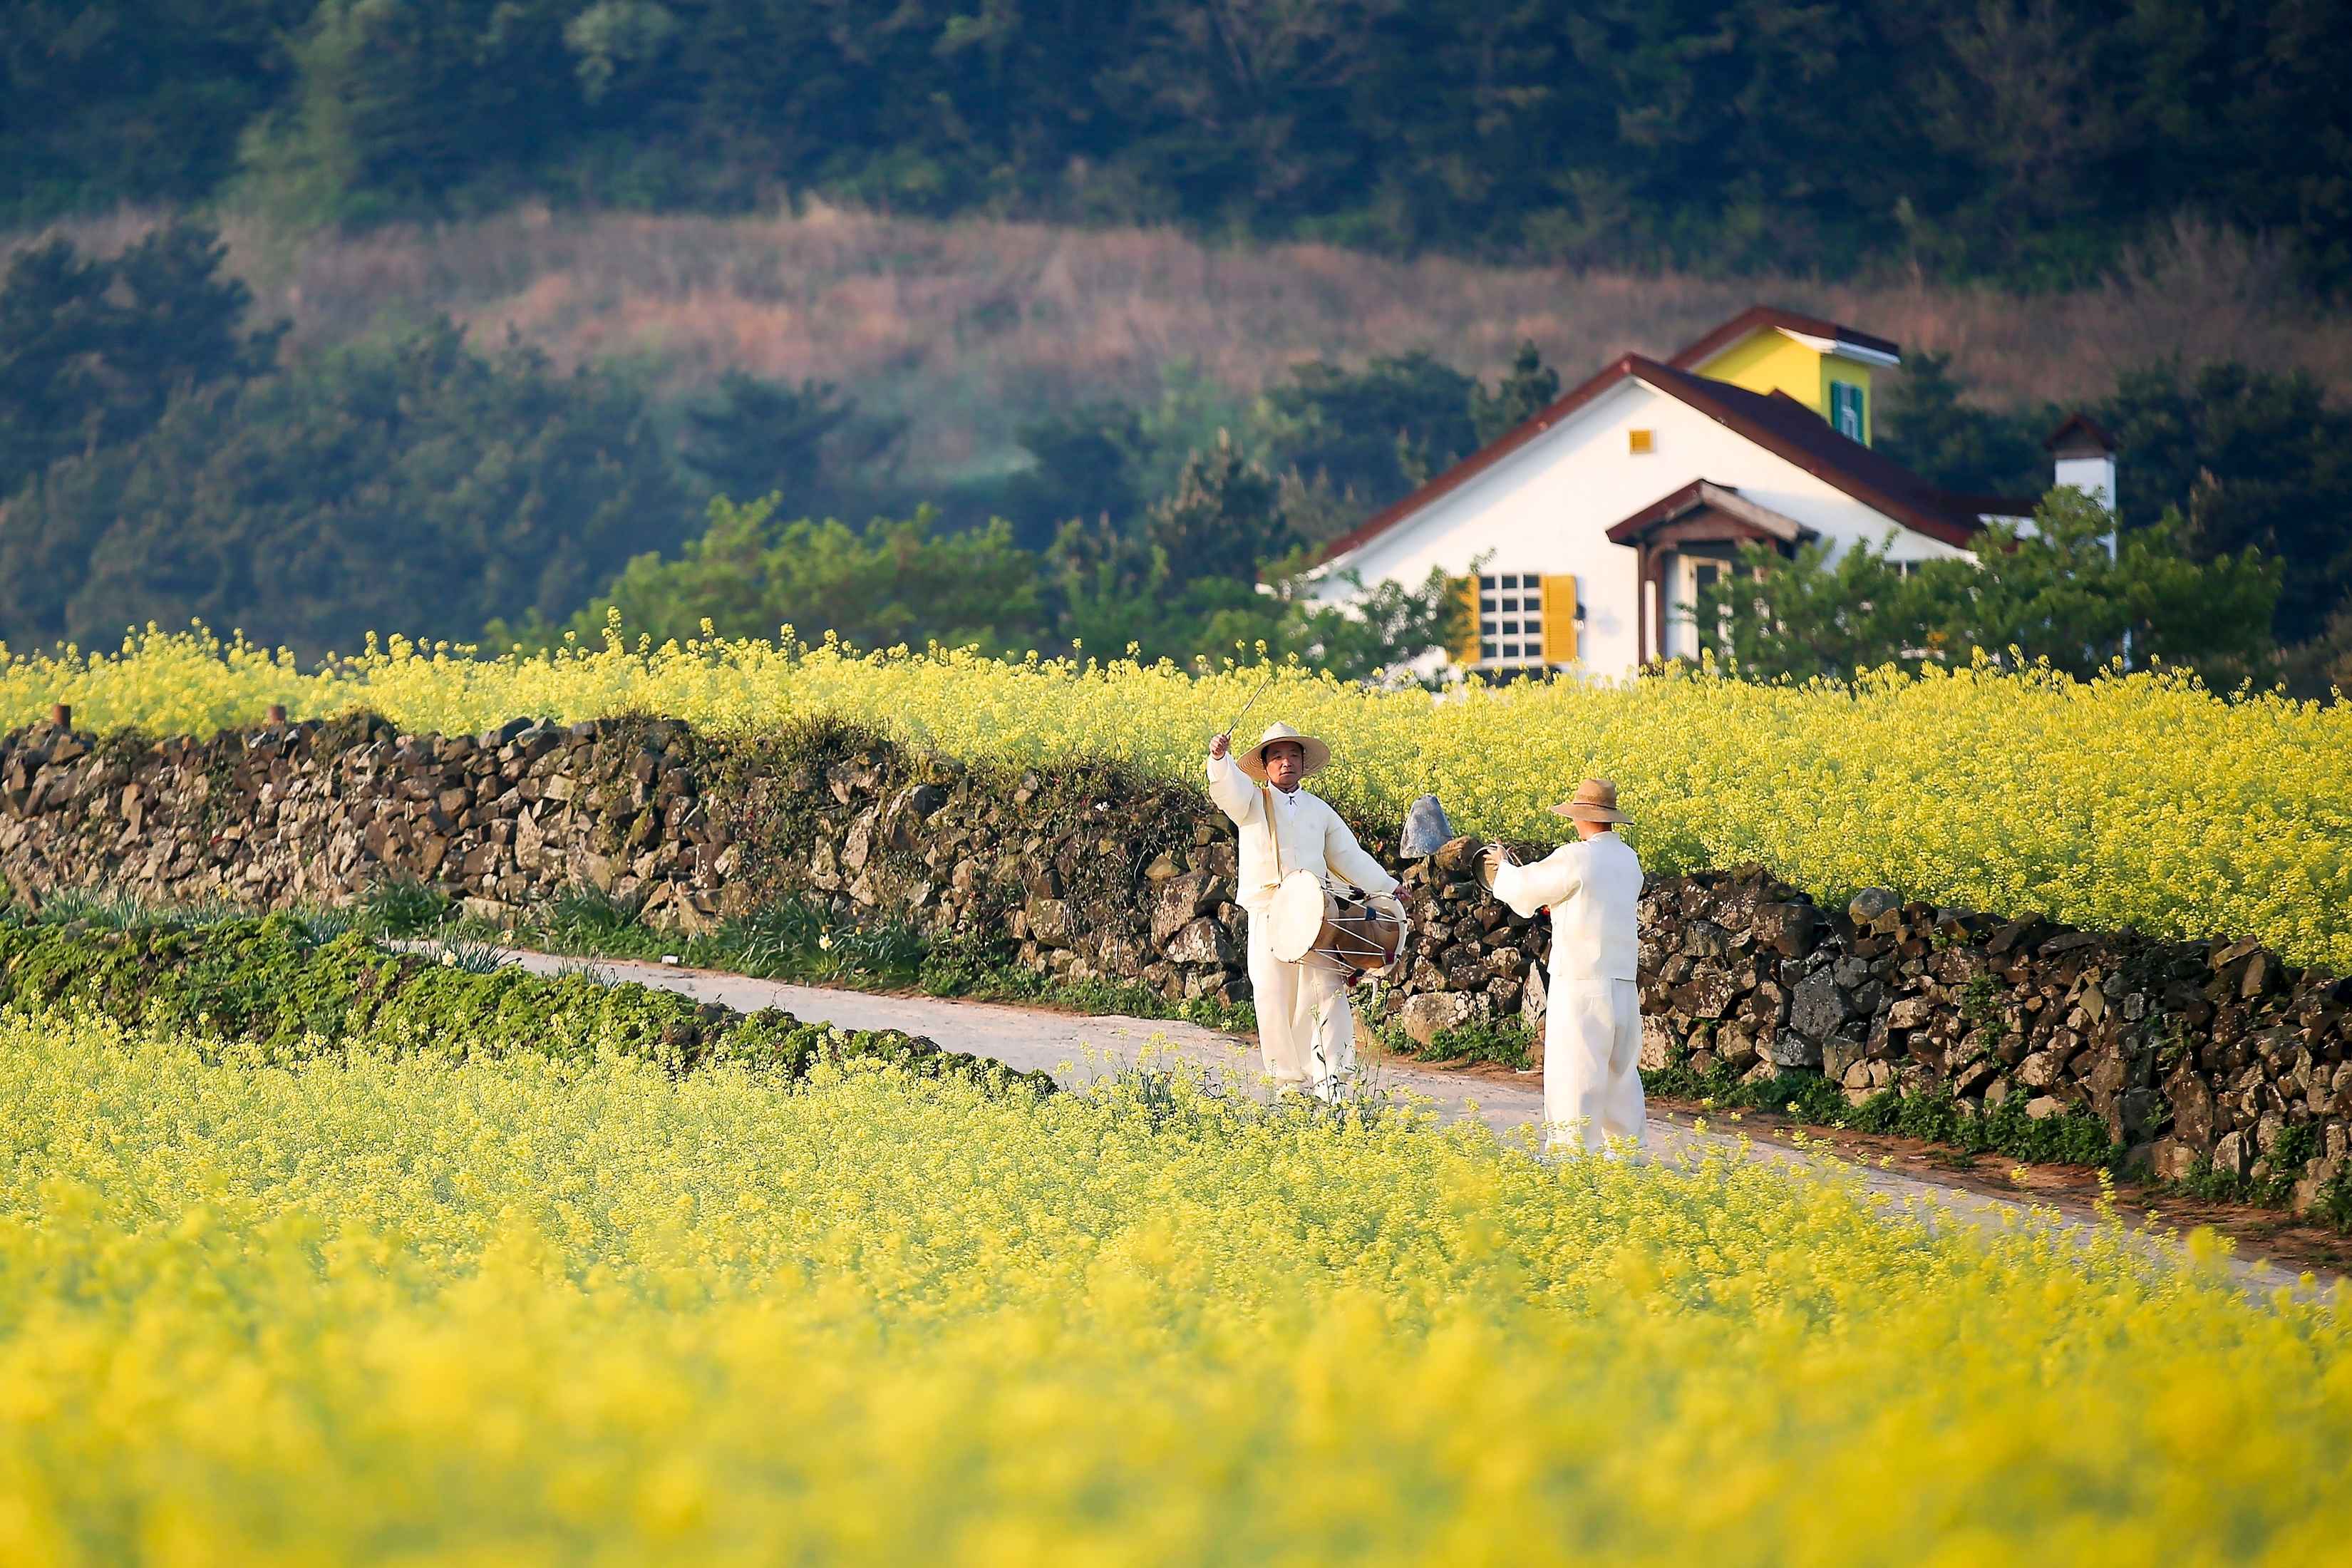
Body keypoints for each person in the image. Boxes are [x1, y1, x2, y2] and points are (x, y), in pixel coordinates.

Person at [1206, 721, 1410, 1100]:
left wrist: (1388, 886)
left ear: (1303, 763)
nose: (1286, 763)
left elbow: (1348, 855)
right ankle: (1287, 1083)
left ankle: (1330, 1079)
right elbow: (1228, 789)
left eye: (1293, 756)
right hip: (1269, 913)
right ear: (1265, 765)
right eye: (1278, 756)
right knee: (1272, 994)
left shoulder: (1320, 810)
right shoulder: (1251, 802)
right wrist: (1220, 758)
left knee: (1325, 992)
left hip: (1318, 912)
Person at [1480, 779, 1646, 1155]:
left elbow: (1526, 887)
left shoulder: (1577, 857)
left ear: (1579, 816)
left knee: (1575, 1076)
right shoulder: (1628, 861)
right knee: (1620, 1077)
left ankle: (1572, 1166)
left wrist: (1502, 866)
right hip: (1621, 981)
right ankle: (1627, 1162)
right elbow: (1595, 900)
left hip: (1580, 983)